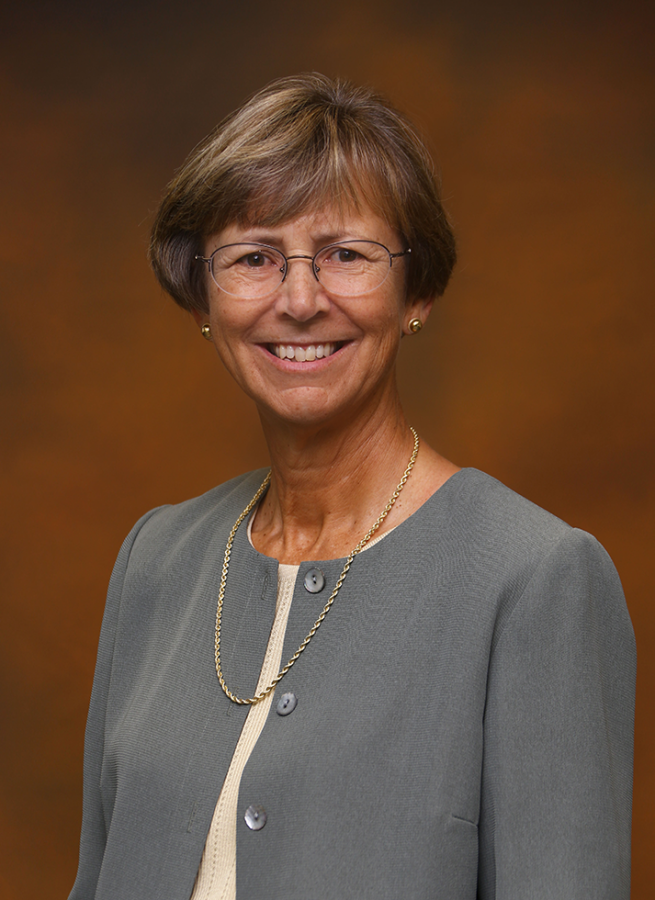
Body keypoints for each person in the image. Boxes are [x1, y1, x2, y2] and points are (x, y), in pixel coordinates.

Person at [69, 73, 635, 900]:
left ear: (419, 290)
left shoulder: (535, 577)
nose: (299, 301)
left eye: (345, 255)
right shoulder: (155, 560)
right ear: (203, 295)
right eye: (255, 257)